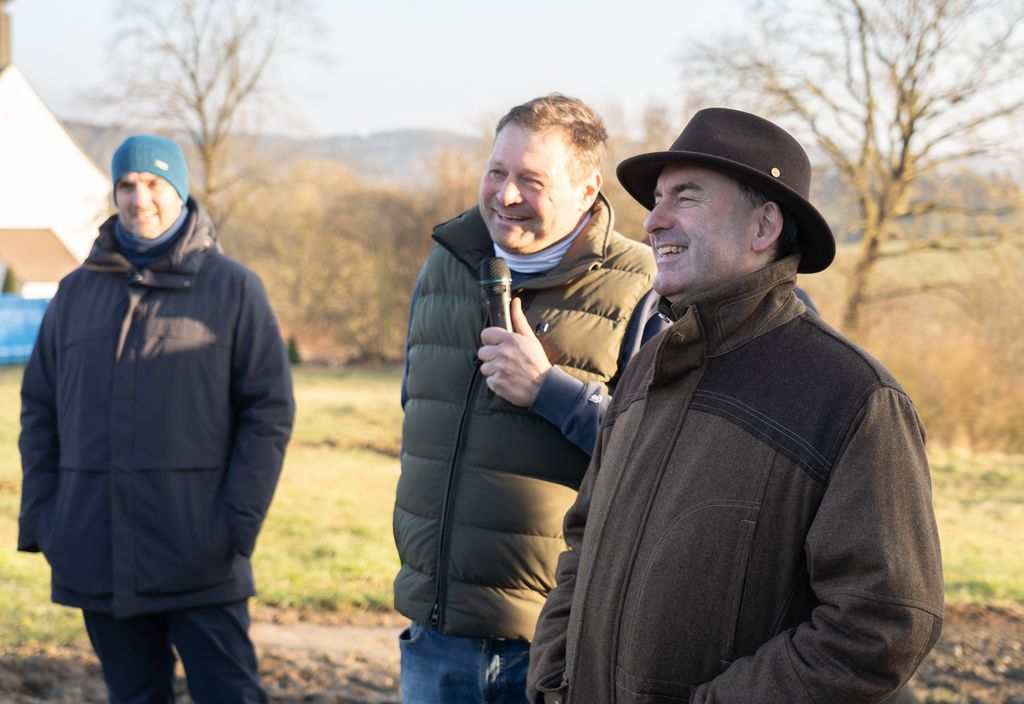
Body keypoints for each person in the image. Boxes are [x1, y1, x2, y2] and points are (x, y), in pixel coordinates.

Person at [527, 108, 944, 704]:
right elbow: (583, 539)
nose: (653, 222)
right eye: (657, 199)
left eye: (686, 199)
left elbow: (881, 625)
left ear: (764, 226)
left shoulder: (852, 399)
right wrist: (553, 680)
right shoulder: (648, 366)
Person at [392, 94, 661, 703]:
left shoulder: (644, 288)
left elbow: (666, 457)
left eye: (530, 180)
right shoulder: (444, 263)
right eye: (497, 172)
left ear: (588, 189)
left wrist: (550, 392)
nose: (505, 194)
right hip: (436, 636)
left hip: (555, 648)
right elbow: (418, 410)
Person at [18, 134, 294, 703]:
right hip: (96, 552)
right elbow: (39, 413)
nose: (139, 198)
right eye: (126, 185)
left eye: (154, 184)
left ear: (181, 192)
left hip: (199, 554)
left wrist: (235, 526)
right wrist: (48, 522)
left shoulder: (233, 289)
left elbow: (267, 412)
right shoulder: (73, 295)